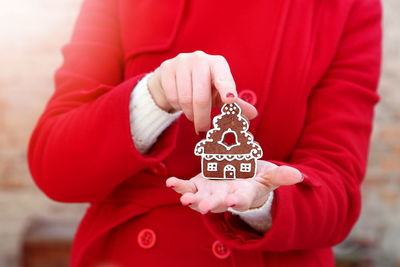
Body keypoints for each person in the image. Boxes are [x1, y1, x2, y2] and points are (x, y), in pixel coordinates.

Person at [28, 0, 382, 266]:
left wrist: (261, 202)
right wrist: (153, 97)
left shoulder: (348, 6)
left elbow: (338, 192)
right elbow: (56, 169)